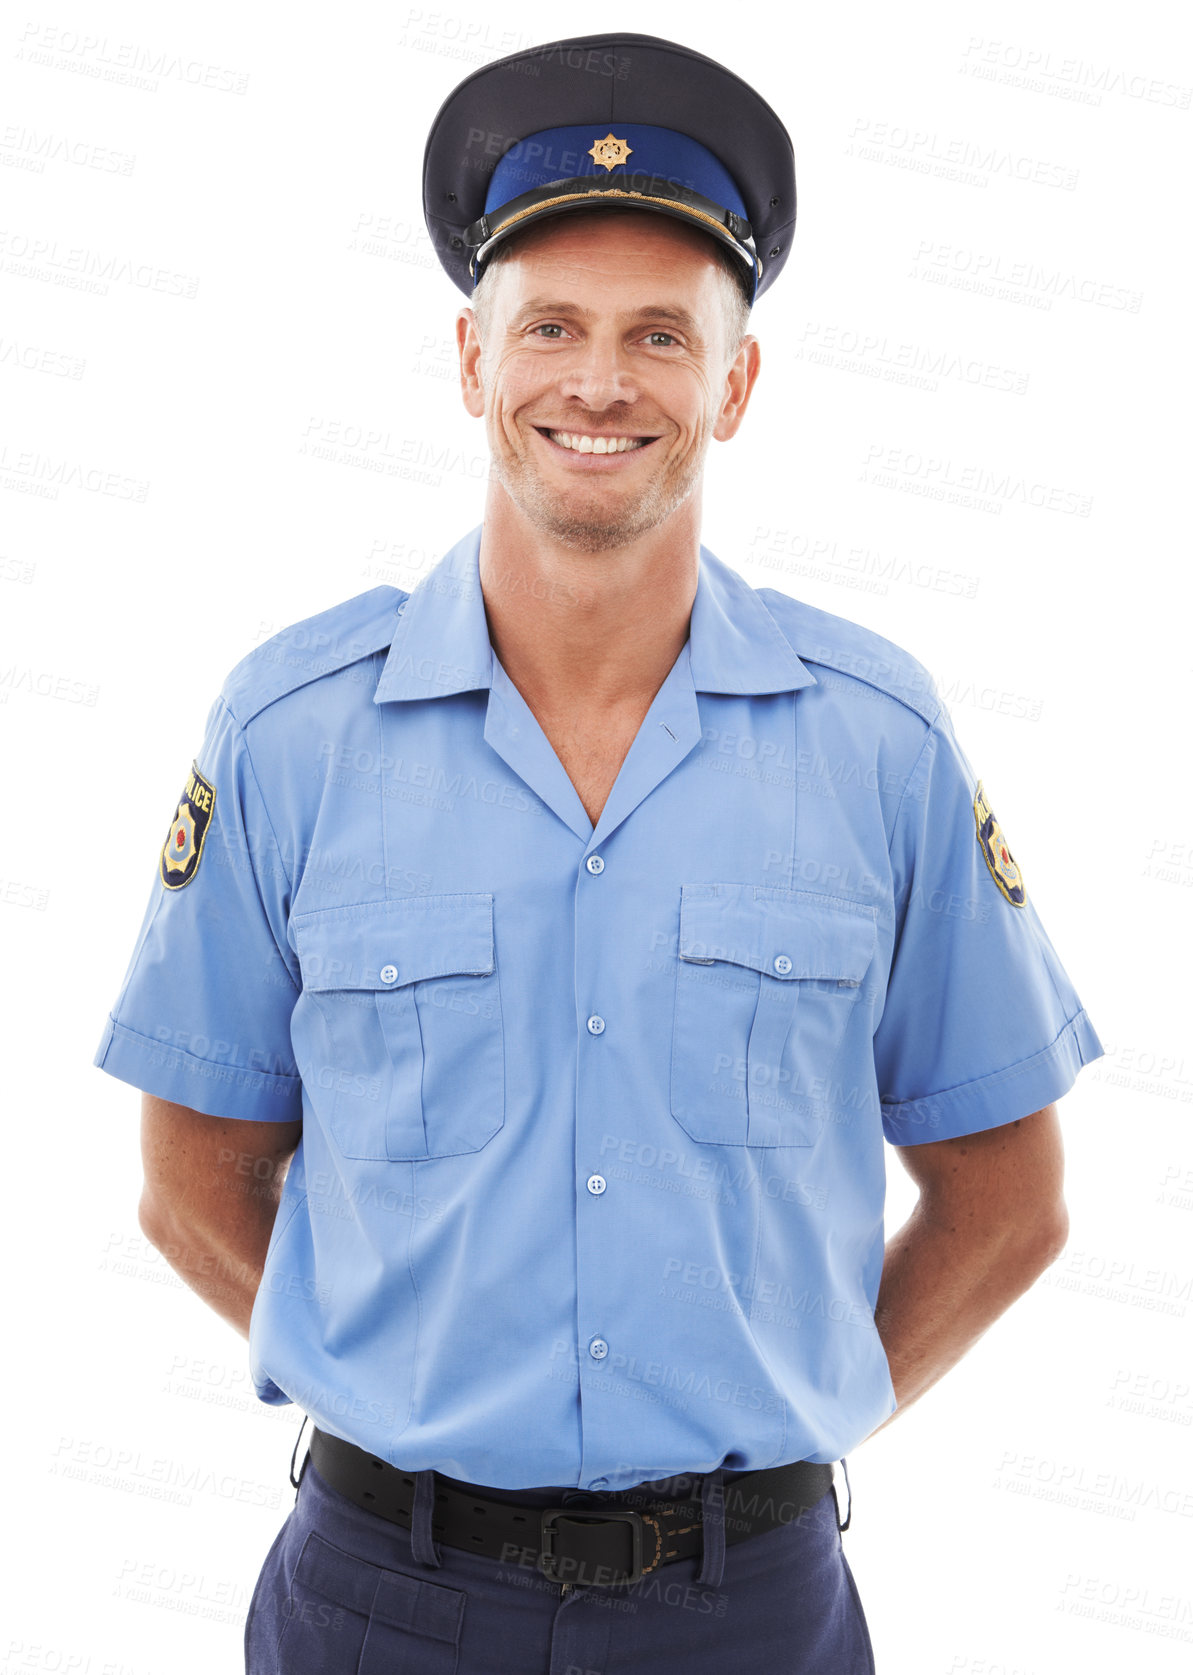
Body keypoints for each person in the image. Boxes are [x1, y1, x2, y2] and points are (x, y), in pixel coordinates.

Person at [94, 31, 1104, 1675]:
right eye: (548, 326)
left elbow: (1007, 1203)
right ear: (471, 362)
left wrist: (788, 1415)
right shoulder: (289, 731)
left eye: (659, 335)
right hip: (379, 1599)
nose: (599, 381)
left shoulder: (877, 740)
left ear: (736, 382)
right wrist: (399, 1392)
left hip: (749, 1609)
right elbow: (190, 1178)